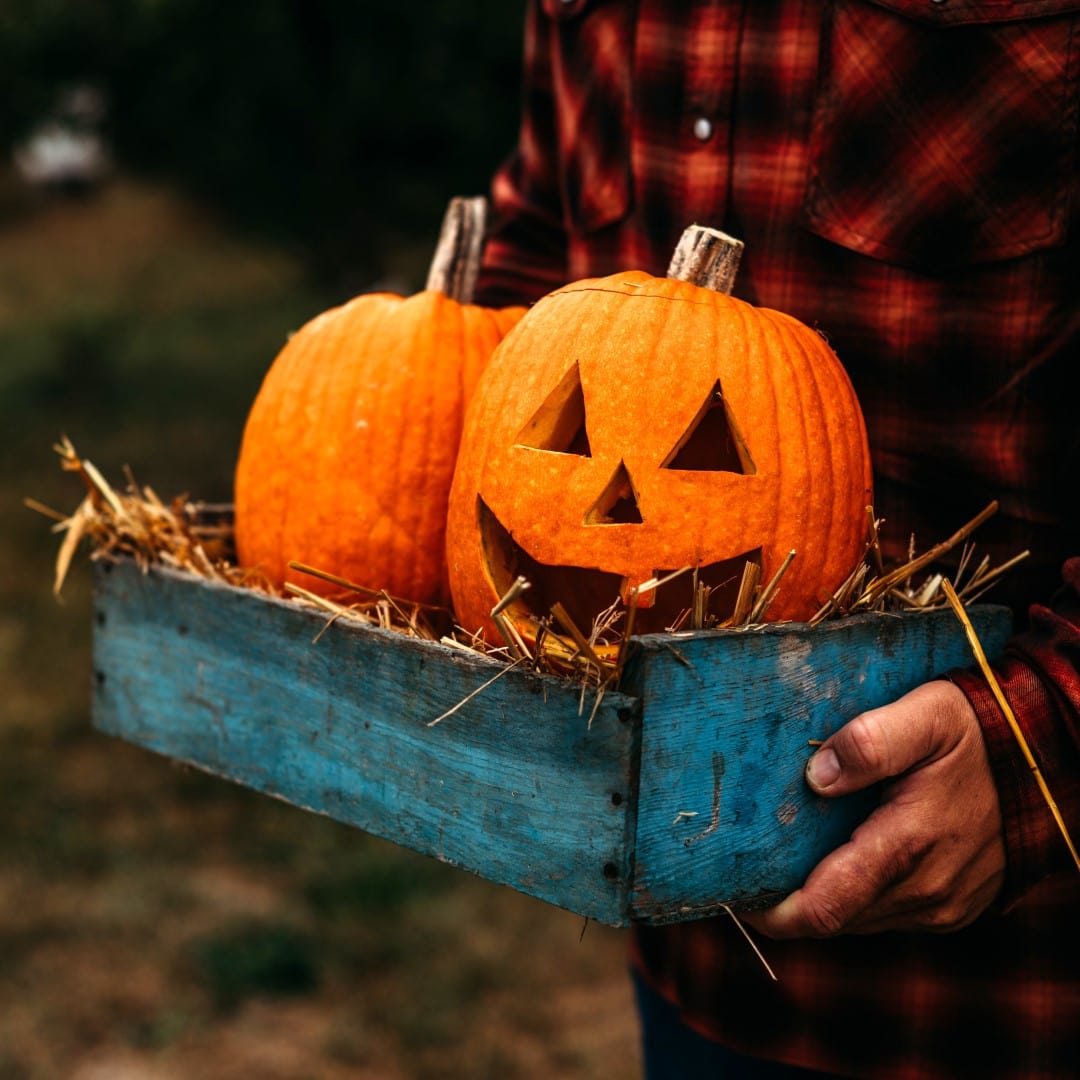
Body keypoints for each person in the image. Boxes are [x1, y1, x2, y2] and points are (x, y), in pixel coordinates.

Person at [473, 3, 1080, 1077]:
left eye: (702, 455)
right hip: (695, 965)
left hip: (1010, 990)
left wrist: (1043, 746)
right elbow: (532, 247)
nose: (616, 507)